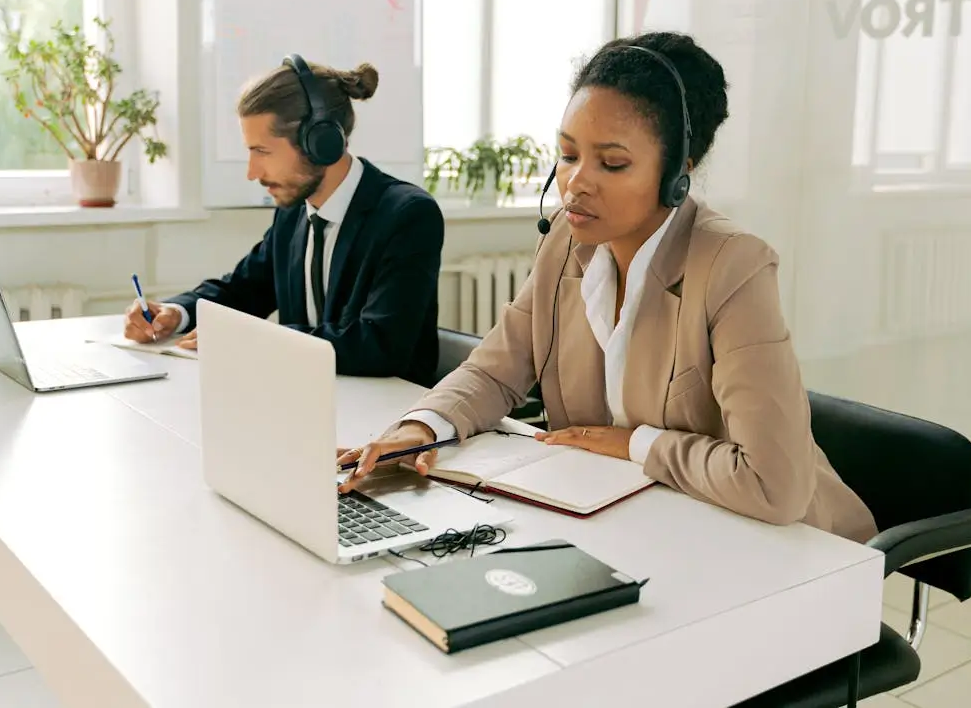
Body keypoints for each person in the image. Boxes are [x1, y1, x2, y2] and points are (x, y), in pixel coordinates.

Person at [339, 32, 876, 542]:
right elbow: (494, 369)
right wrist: (422, 428)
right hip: (640, 525)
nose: (575, 183)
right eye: (569, 155)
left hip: (784, 549)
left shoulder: (733, 266)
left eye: (612, 163)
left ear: (677, 175)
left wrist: (638, 445)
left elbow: (774, 486)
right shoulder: (565, 246)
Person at [124, 55, 444, 385]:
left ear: (321, 143)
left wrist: (254, 340)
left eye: (262, 152)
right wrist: (177, 313)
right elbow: (244, 289)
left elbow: (379, 345)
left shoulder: (407, 216)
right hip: (305, 398)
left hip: (388, 414)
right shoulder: (293, 213)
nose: (252, 173)